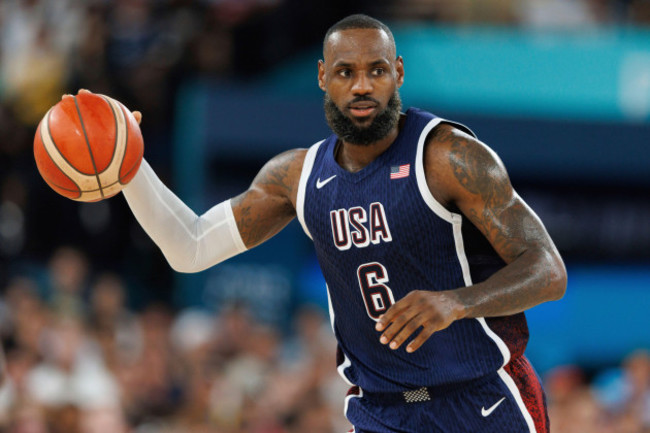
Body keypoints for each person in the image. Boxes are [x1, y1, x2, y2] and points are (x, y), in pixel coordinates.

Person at [95, 13, 567, 433]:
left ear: (397, 73)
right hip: (381, 412)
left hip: (481, 399)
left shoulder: (447, 156)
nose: (362, 85)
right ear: (323, 77)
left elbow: (547, 271)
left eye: (376, 70)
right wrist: (129, 165)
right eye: (345, 72)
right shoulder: (296, 176)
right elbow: (190, 246)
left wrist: (457, 303)